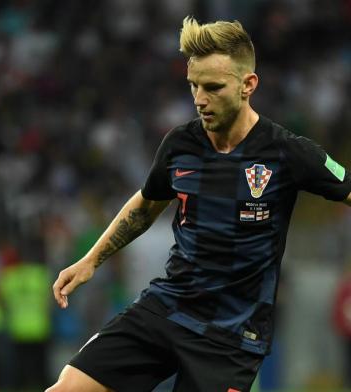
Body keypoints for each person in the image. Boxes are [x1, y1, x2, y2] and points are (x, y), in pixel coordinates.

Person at [46, 17, 351, 392]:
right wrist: (90, 260)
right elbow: (146, 204)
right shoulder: (180, 145)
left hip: (231, 337)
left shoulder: (287, 152)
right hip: (168, 307)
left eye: (213, 87)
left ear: (247, 85)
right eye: (193, 86)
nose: (199, 100)